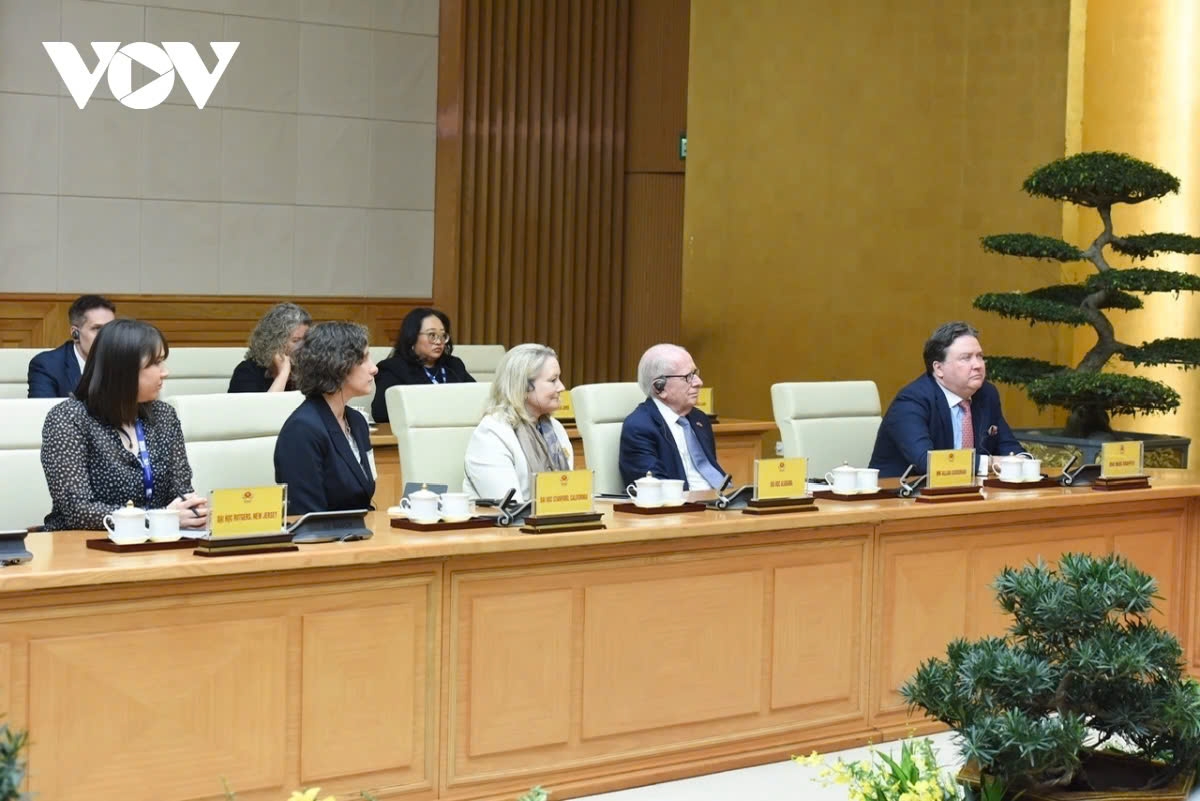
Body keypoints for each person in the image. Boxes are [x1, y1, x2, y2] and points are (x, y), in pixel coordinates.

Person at [39, 319, 208, 531]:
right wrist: (159, 518)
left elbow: (181, 493)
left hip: (156, 542)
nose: (165, 372)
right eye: (155, 363)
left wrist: (193, 511)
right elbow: (77, 511)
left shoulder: (164, 416)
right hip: (84, 543)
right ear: (123, 369)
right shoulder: (68, 418)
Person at [869, 320, 1023, 477]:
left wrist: (1024, 461)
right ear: (939, 368)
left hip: (968, 489)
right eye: (966, 358)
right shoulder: (911, 401)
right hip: (902, 489)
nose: (977, 365)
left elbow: (1009, 446)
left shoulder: (986, 394)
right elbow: (926, 462)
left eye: (979, 356)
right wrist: (991, 462)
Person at [273, 322, 378, 515]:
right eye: (364, 360)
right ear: (338, 366)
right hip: (322, 534)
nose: (374, 368)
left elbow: (363, 497)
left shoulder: (357, 421)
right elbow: (305, 515)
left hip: (356, 529)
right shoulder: (302, 430)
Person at [463, 343, 572, 502]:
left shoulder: (555, 428)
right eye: (553, 380)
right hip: (508, 518)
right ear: (524, 386)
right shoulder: (491, 434)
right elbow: (509, 506)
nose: (561, 387)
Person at [619, 343, 724, 490]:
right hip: (684, 503)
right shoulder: (639, 427)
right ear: (660, 388)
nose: (699, 383)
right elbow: (654, 487)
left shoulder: (699, 419)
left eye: (695, 373)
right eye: (688, 377)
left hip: (721, 499)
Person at [371, 307, 475, 422]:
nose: (439, 341)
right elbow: (381, 413)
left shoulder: (454, 365)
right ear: (412, 337)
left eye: (443, 335)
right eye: (432, 335)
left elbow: (478, 398)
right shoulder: (393, 369)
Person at [28, 294, 116, 398]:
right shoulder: (47, 365)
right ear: (75, 334)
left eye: (112, 328)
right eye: (97, 329)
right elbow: (43, 407)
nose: (107, 336)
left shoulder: (123, 360)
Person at [228, 302, 312, 393]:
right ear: (275, 342)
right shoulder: (247, 372)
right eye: (296, 341)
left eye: (306, 340)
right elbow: (265, 403)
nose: (303, 346)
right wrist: (283, 374)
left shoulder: (307, 370)